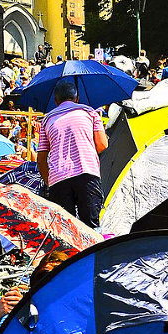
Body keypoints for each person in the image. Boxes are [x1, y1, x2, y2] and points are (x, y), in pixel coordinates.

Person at [36, 79, 107, 228]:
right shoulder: (90, 112)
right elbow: (102, 145)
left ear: (56, 101)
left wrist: (49, 182)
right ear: (77, 98)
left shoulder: (47, 119)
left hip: (58, 179)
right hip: (86, 172)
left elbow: (41, 159)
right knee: (91, 228)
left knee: (66, 231)